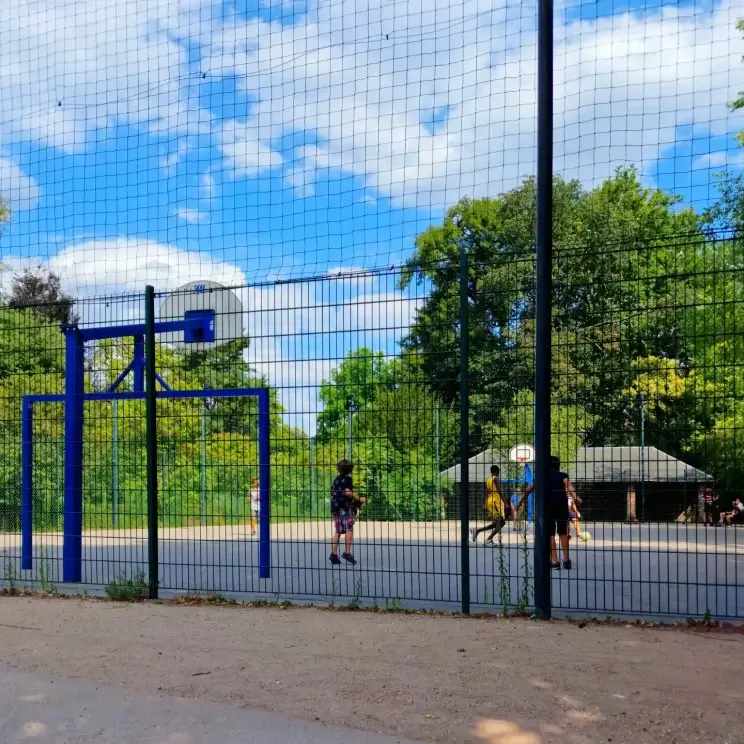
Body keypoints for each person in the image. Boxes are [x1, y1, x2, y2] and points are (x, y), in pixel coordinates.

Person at [516, 456, 574, 569]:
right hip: (561, 506)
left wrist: (519, 502)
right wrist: (576, 497)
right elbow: (570, 488)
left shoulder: (541, 477)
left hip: (548, 507)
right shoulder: (563, 475)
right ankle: (566, 560)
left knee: (550, 534)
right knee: (563, 533)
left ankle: (555, 561)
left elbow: (528, 491)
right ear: (558, 465)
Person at [329, 459, 366, 565]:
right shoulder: (348, 479)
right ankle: (347, 552)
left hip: (335, 507)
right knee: (349, 529)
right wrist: (359, 499)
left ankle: (334, 554)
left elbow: (332, 491)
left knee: (338, 531)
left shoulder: (336, 479)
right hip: (345, 508)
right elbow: (348, 493)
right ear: (350, 469)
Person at [470, 465, 511, 545]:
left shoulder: (488, 480)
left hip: (490, 502)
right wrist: (505, 502)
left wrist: (485, 504)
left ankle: (478, 531)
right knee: (501, 522)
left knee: (499, 523)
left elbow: (486, 493)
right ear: (497, 471)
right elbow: (499, 491)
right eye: (498, 472)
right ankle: (488, 539)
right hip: (495, 502)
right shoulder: (496, 478)